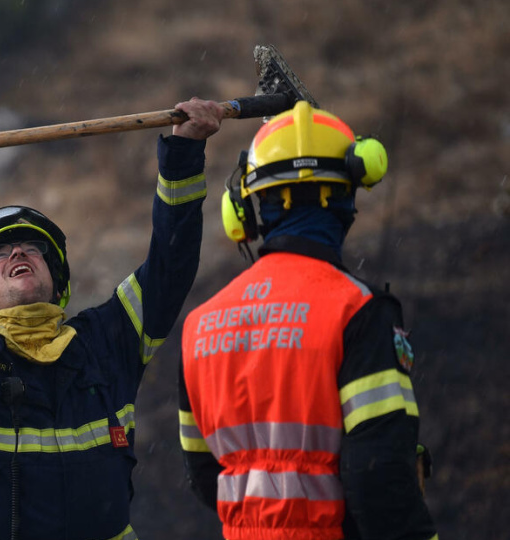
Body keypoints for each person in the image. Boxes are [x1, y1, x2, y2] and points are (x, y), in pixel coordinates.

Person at [0, 98, 225, 540]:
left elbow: (171, 264)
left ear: (57, 279)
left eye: (34, 248)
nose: (18, 251)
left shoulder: (107, 344)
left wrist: (184, 154)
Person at [178, 101, 439, 540]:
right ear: (348, 194)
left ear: (247, 207)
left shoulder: (199, 326)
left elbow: (205, 476)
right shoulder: (359, 311)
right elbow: (379, 479)